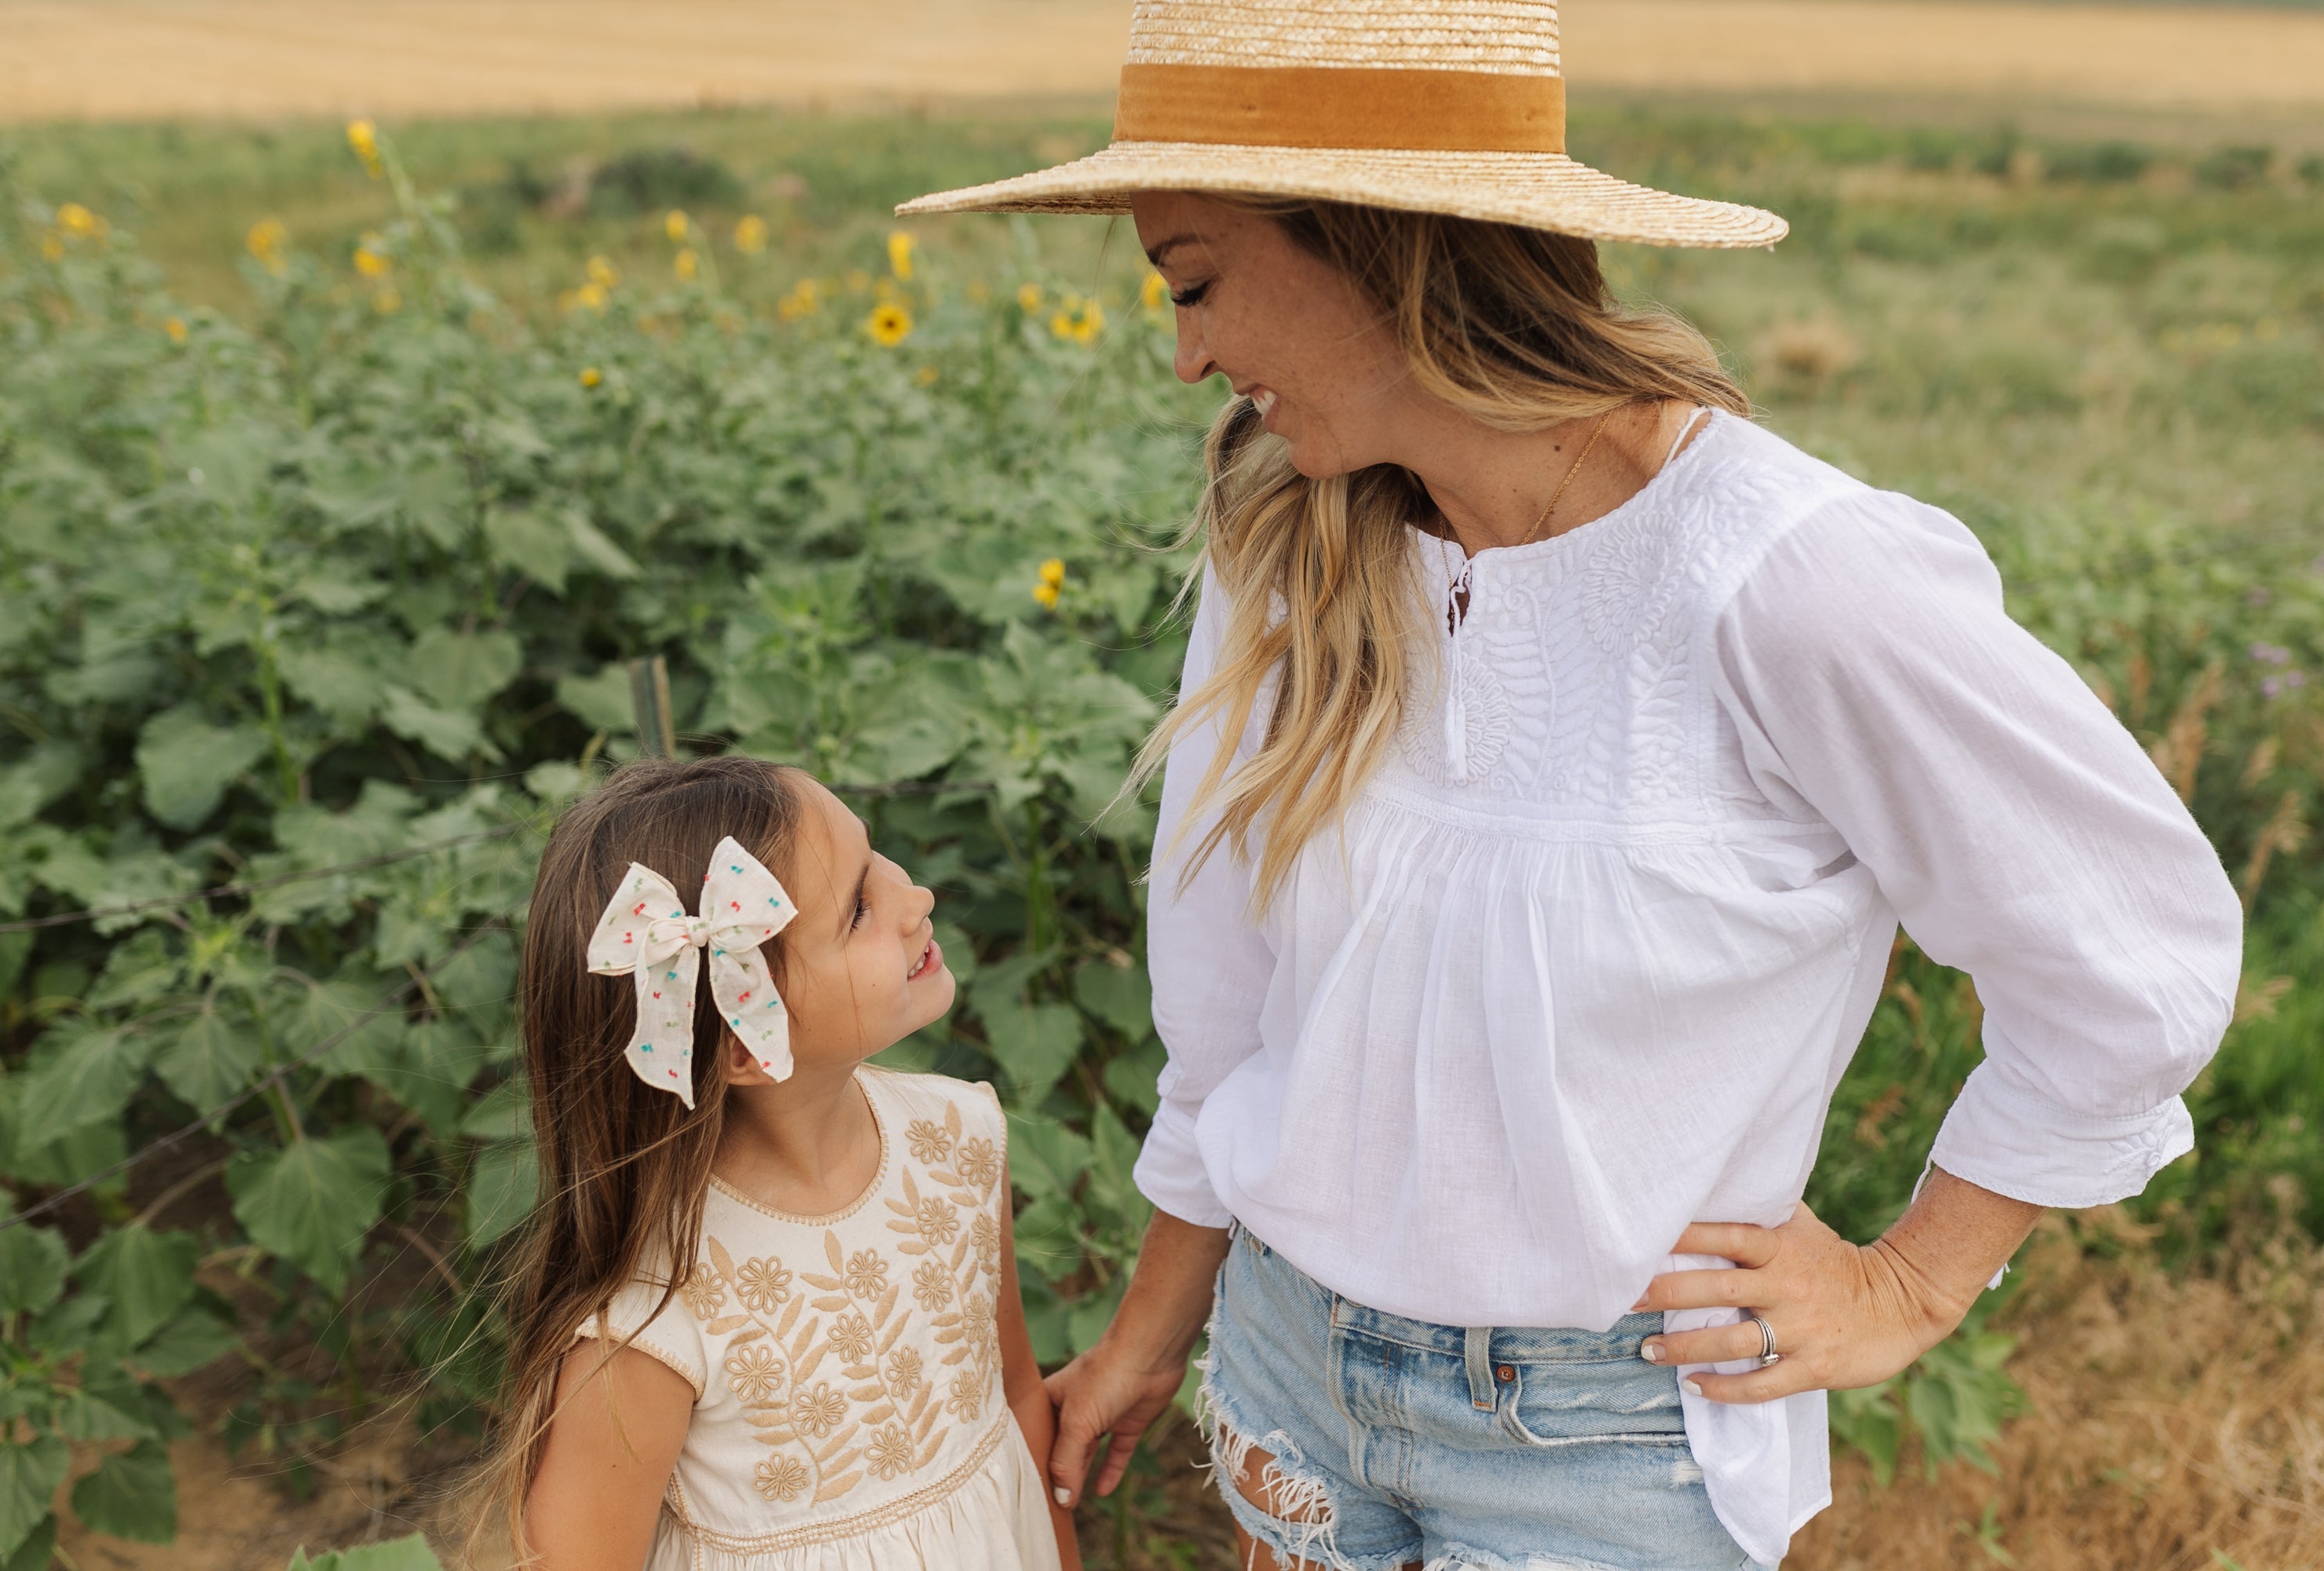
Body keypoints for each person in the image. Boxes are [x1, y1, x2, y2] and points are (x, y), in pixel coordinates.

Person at [896, 3, 2244, 1566]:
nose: (1188, 351)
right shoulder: (1289, 543)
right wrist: (1149, 1332)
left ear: (1387, 247)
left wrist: (1912, 1279)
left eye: (1195, 280)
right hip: (1286, 1376)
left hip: (1606, 1438)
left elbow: (2129, 954)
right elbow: (1232, 1017)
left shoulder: (1783, 581)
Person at [474, 756, 1078, 1571]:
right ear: (743, 1041)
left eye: (877, 858)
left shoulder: (959, 1136)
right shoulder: (655, 1314)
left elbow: (1015, 1394)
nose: (915, 898)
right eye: (859, 907)